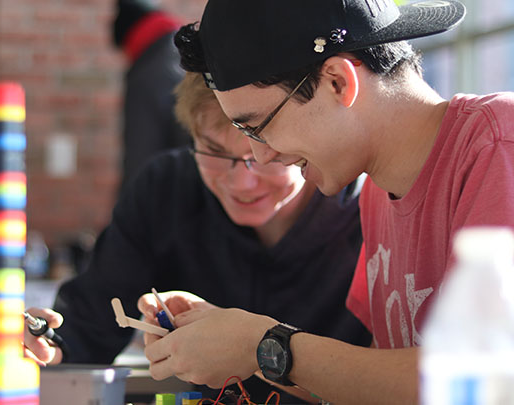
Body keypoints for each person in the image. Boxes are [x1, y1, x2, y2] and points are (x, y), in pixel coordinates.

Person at [138, 0, 514, 403]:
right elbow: (379, 388)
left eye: (259, 127)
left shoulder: (499, 146)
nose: (261, 156)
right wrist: (231, 338)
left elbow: (486, 379)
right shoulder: (374, 191)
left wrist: (261, 343)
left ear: (338, 82)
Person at [25, 71, 371, 402]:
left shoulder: (369, 211)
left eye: (262, 153)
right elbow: (87, 327)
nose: (240, 183)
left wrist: (259, 349)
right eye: (213, 152)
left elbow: (405, 380)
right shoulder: (165, 189)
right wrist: (47, 343)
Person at [112, 0, 192, 189]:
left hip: (158, 203)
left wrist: (128, 212)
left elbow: (141, 154)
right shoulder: (178, 56)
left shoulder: (148, 74)